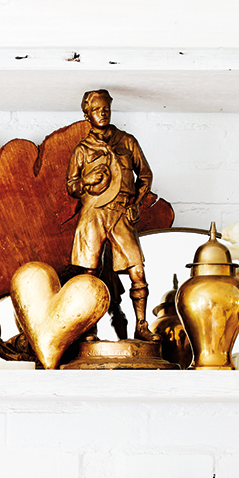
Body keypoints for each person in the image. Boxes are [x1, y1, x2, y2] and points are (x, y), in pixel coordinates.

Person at [66, 89, 153, 337]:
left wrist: (136, 203)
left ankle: (142, 327)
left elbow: (145, 176)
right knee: (89, 274)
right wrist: (87, 181)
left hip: (121, 213)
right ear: (87, 115)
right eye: (96, 110)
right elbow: (71, 186)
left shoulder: (127, 142)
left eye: (106, 109)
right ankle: (89, 329)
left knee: (137, 269)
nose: (102, 114)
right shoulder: (82, 149)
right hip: (92, 214)